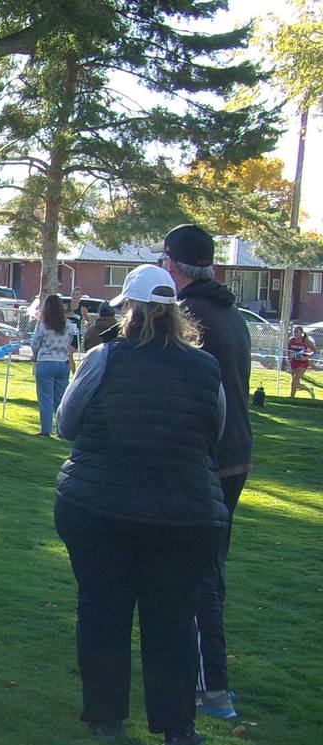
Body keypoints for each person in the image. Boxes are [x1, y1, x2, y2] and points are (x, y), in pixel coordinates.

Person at [54, 264, 229, 745]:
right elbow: (214, 430)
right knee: (172, 618)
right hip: (186, 510)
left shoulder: (102, 357)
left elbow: (68, 424)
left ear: (127, 309)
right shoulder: (205, 367)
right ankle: (177, 728)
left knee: (103, 609)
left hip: (99, 502)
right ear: (175, 312)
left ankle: (106, 718)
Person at [159, 223, 252, 720]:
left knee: (197, 575)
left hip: (207, 461)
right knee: (207, 568)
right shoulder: (230, 312)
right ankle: (200, 673)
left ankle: (212, 686)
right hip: (233, 457)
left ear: (172, 265)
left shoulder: (191, 314)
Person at [30, 293, 73, 437]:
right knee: (60, 400)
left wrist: (35, 355)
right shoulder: (67, 324)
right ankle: (61, 430)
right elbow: (70, 342)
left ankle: (46, 429)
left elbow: (35, 343)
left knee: (45, 398)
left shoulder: (43, 324)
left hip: (46, 362)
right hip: (63, 363)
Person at [65, 286, 90, 373]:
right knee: (64, 354)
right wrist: (67, 315)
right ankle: (65, 372)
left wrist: (87, 323)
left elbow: (87, 320)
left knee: (69, 353)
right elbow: (58, 317)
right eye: (73, 294)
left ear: (80, 296)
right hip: (65, 333)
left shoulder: (83, 309)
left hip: (75, 334)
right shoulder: (65, 306)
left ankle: (74, 375)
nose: (74, 296)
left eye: (77, 294)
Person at [287, 326, 316, 398]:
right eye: (294, 332)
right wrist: (289, 357)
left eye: (297, 332)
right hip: (293, 362)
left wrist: (306, 357)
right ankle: (292, 398)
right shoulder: (291, 340)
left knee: (294, 381)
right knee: (295, 383)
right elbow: (288, 350)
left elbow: (315, 351)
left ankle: (292, 397)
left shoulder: (306, 341)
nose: (295, 333)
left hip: (303, 363)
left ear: (301, 333)